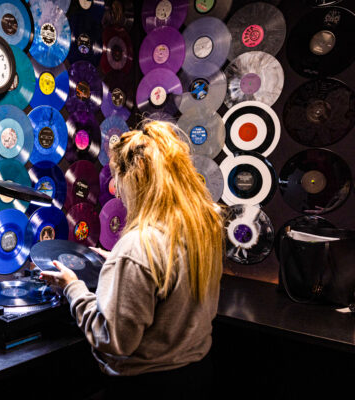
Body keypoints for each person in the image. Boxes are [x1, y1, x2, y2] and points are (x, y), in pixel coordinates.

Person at [40, 120, 224, 399]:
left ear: (132, 180)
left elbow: (113, 340)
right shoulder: (202, 226)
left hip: (145, 388)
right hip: (194, 375)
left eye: (117, 180)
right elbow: (169, 272)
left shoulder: (138, 247)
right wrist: (119, 262)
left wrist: (72, 286)